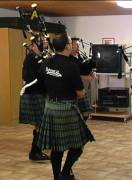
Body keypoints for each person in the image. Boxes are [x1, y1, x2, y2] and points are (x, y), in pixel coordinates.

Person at [37, 34, 94, 180]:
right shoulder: (71, 66)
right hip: (66, 108)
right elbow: (80, 93)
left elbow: (41, 84)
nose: (72, 45)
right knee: (79, 143)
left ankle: (57, 176)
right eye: (71, 43)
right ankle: (65, 172)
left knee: (56, 147)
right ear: (67, 46)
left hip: (50, 107)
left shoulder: (46, 62)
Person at [19, 34, 50, 161]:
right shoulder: (31, 58)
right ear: (35, 44)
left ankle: (38, 149)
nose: (46, 43)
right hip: (33, 94)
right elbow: (28, 77)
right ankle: (35, 152)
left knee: (40, 123)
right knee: (40, 123)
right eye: (43, 41)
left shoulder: (39, 57)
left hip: (39, 93)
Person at [69, 37, 96, 119]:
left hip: (83, 87)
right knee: (77, 112)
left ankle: (81, 127)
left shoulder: (80, 56)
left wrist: (91, 72)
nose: (78, 47)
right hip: (74, 89)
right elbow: (70, 74)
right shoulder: (68, 59)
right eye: (76, 45)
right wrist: (84, 77)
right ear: (70, 46)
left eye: (78, 45)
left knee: (86, 111)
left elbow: (83, 68)